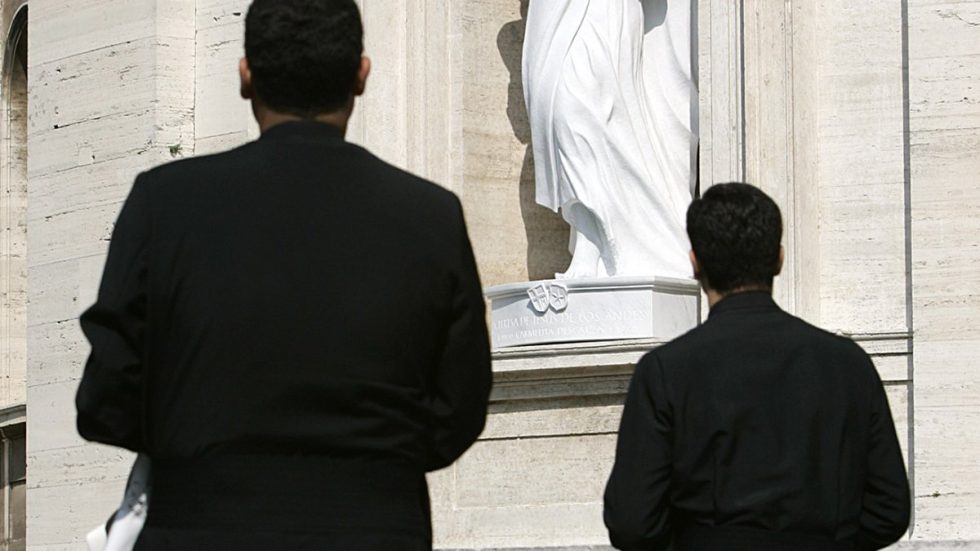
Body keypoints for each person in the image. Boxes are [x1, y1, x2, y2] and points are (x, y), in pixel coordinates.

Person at [74, 1, 492, 549]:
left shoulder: (165, 204)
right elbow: (459, 406)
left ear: (245, 76)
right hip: (375, 527)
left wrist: (196, 449)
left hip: (201, 526)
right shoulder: (430, 215)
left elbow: (105, 400)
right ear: (360, 75)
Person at [603, 183, 910, 551]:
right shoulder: (848, 364)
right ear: (779, 259)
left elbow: (632, 523)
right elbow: (889, 510)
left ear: (695, 262)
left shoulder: (665, 371)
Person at [522, 0, 697, 278]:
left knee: (582, 115)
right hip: (550, 19)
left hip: (603, 14)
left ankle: (593, 248)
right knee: (561, 120)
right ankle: (588, 243)